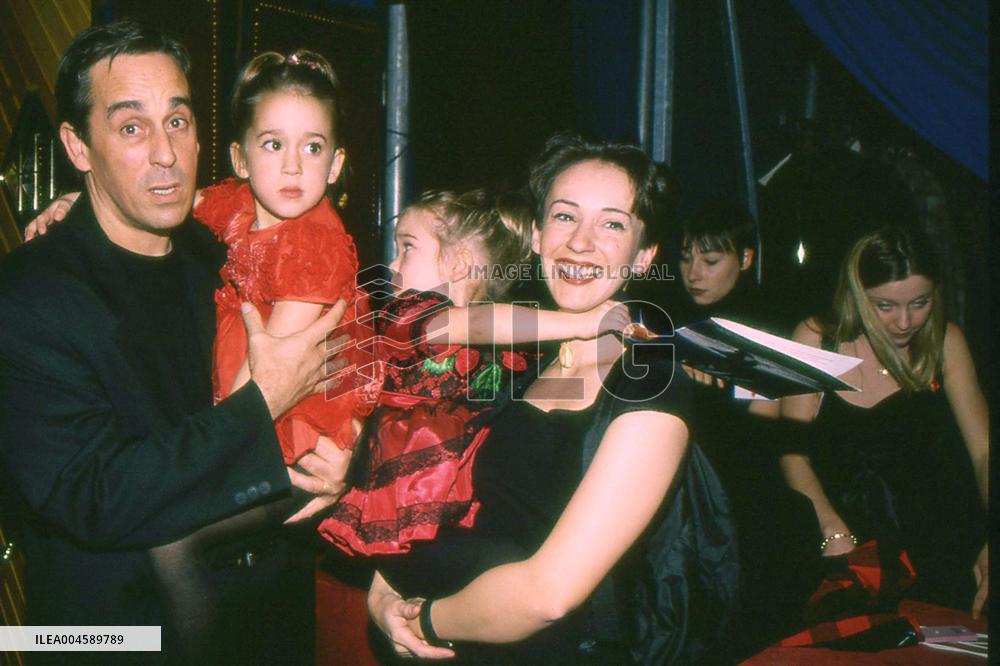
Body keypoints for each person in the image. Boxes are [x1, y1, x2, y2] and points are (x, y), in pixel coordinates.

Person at [0, 21, 347, 663]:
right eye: (131, 127)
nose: (165, 153)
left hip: (272, 628)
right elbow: (96, 498)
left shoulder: (227, 249)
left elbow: (348, 362)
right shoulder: (26, 296)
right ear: (78, 146)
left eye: (179, 122)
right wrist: (262, 403)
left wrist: (341, 465)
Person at [368, 133, 739, 664]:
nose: (581, 242)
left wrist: (425, 620)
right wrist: (383, 595)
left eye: (612, 223)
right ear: (538, 236)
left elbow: (550, 595)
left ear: (644, 255)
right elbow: (420, 487)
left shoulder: (651, 387)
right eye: (565, 217)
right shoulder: (518, 360)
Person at [28, 48, 371, 483]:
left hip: (289, 408)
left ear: (335, 164)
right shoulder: (234, 204)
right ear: (240, 159)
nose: (292, 166)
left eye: (313, 147)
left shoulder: (314, 243)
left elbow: (271, 378)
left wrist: (222, 432)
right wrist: (79, 200)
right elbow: (172, 196)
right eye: (273, 144)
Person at [320, 189, 627, 556]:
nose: (392, 264)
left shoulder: (513, 345)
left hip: (468, 509)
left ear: (460, 264)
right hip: (404, 495)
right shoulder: (407, 318)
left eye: (408, 247)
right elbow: (478, 323)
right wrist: (583, 322)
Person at [778, 226, 988, 617]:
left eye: (920, 302)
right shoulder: (815, 338)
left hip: (936, 544)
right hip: (842, 543)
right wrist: (831, 528)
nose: (905, 322)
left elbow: (983, 451)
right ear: (857, 294)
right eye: (885, 306)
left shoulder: (945, 341)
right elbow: (792, 451)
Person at [675, 202, 822, 657]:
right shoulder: (676, 315)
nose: (694, 272)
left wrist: (722, 388)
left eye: (710, 260)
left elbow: (788, 416)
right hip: (688, 489)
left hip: (751, 493)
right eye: (684, 258)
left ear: (746, 258)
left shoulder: (773, 316)